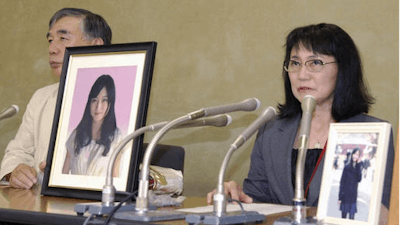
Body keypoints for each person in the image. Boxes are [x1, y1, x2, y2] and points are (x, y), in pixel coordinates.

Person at [207, 23, 394, 218]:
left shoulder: (369, 134)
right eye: (295, 63)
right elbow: (260, 202)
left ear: (343, 69)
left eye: (315, 63)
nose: (302, 75)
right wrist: (235, 199)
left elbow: (383, 212)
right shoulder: (271, 131)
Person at [0, 8, 112, 189]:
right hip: (41, 206)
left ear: (96, 45)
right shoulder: (42, 97)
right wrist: (16, 171)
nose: (52, 49)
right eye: (50, 40)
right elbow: (18, 151)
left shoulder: (122, 99)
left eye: (63, 39)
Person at [62, 75, 122, 176]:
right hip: (73, 191)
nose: (98, 107)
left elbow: (115, 177)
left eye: (104, 100)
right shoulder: (76, 134)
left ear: (111, 104)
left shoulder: (116, 137)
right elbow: (64, 173)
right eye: (94, 100)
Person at [338, 147, 362, 220]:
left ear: (359, 157)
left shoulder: (358, 167)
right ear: (352, 154)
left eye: (357, 155)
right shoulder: (347, 167)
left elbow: (359, 179)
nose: (355, 156)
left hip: (353, 197)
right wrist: (340, 197)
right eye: (354, 154)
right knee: (343, 219)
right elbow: (342, 183)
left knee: (351, 219)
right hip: (345, 197)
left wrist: (358, 165)